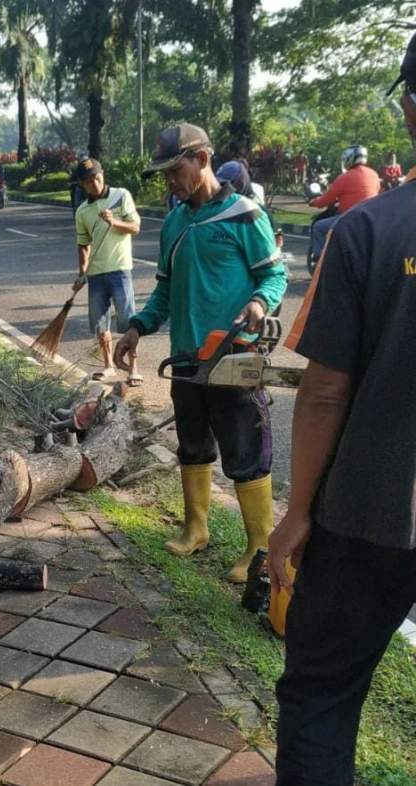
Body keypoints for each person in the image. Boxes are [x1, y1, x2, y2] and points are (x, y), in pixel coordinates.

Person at [269, 33, 416, 786]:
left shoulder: (367, 229)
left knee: (321, 695)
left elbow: (325, 389)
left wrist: (297, 513)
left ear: (412, 111)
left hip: (367, 516)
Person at [115, 123, 287, 583]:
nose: (169, 181)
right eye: (165, 173)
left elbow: (274, 277)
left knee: (245, 450)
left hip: (233, 357)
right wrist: (137, 327)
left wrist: (257, 302)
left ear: (203, 160)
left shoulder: (245, 215)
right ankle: (196, 528)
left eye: (175, 169)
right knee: (193, 446)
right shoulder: (173, 223)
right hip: (188, 359)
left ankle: (258, 546)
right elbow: (165, 291)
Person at [72, 157, 142, 385]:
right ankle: (108, 365)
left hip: (120, 270)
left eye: (97, 178)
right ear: (82, 185)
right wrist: (82, 271)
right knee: (100, 323)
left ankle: (134, 367)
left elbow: (135, 227)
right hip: (96, 274)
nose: (95, 183)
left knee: (129, 320)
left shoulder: (121, 196)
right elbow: (83, 244)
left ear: (103, 175)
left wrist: (115, 222)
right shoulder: (82, 211)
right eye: (88, 181)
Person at [308, 145, 380, 261]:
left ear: (349, 158)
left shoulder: (344, 177)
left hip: (349, 219)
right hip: (370, 220)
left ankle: (321, 262)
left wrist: (313, 202)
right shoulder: (374, 175)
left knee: (318, 227)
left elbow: (325, 200)